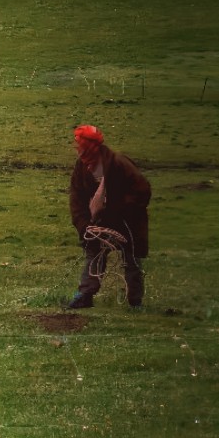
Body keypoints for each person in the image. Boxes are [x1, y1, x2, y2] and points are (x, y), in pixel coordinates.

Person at [67, 124, 151, 309]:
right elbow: (76, 198)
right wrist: (84, 225)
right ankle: (85, 295)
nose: (77, 148)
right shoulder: (81, 166)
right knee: (93, 255)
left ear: (90, 146)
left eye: (80, 144)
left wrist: (115, 208)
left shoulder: (119, 163)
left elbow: (142, 191)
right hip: (97, 223)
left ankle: (135, 302)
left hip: (127, 222)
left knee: (132, 260)